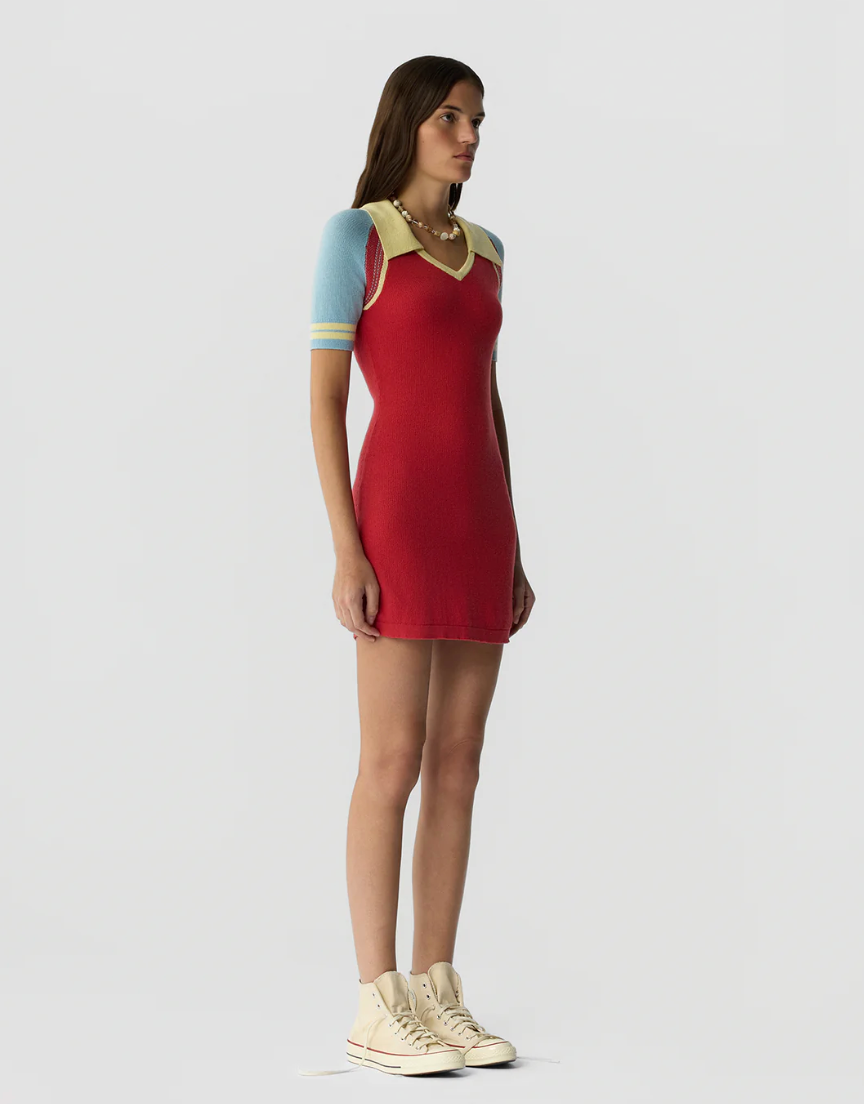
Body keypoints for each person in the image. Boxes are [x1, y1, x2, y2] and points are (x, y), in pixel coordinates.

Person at [308, 55, 536, 1077]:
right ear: (408, 121)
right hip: (395, 521)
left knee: (458, 762)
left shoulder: (488, 251)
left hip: (480, 523)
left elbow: (486, 398)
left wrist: (515, 543)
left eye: (478, 119)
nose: (469, 135)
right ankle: (377, 1000)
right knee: (392, 759)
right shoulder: (355, 238)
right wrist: (346, 547)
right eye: (450, 116)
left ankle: (438, 990)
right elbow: (325, 402)